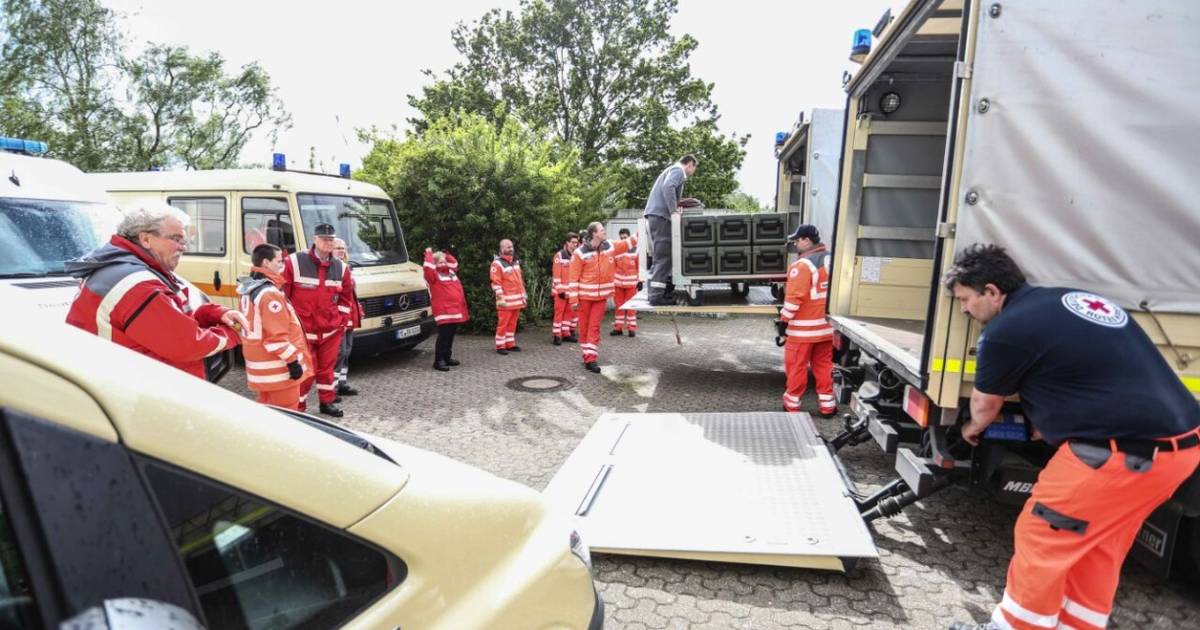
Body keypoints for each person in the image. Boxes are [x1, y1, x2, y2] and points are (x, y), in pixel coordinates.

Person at [944, 244, 1200, 630]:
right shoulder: (1071, 300)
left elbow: (984, 408)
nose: (964, 309)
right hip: (1180, 450)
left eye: (965, 299)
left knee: (1042, 534)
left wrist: (967, 431)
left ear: (992, 291)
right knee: (1097, 547)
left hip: (1116, 454)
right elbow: (1088, 372)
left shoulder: (1003, 332)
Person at [65, 204, 244, 378]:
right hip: (141, 392)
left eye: (184, 240)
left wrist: (215, 315)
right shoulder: (139, 286)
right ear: (146, 239)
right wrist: (234, 333)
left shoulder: (122, 269)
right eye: (176, 239)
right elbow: (187, 344)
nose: (184, 247)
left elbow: (170, 316)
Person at [282, 223, 355, 417]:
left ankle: (326, 402)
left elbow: (346, 298)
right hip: (303, 331)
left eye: (331, 239)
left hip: (330, 331)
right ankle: (298, 407)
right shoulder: (294, 262)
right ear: (314, 239)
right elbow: (283, 296)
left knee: (327, 370)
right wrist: (289, 325)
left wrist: (340, 321)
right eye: (324, 238)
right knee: (306, 371)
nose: (328, 242)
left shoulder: (341, 268)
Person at [237, 244, 312, 409]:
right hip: (278, 371)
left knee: (267, 413)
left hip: (261, 369)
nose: (282, 265)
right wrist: (293, 362)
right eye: (279, 261)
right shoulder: (269, 294)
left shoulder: (249, 288)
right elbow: (276, 338)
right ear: (266, 263)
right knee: (287, 414)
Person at [777, 224, 836, 416]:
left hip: (802, 330)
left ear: (808, 240)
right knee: (824, 366)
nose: (795, 244)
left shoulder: (802, 265)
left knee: (796, 366)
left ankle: (792, 404)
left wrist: (783, 321)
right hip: (826, 329)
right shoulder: (831, 259)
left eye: (797, 240)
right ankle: (828, 405)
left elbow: (794, 298)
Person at [569, 222, 637, 373]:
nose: (604, 231)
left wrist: (647, 225)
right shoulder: (580, 253)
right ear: (594, 233)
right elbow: (573, 278)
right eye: (602, 229)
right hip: (584, 298)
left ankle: (590, 359)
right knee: (585, 327)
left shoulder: (610, 246)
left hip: (600, 298)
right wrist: (573, 300)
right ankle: (587, 353)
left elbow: (629, 242)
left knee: (594, 327)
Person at [644, 155, 698, 306]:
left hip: (656, 216)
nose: (693, 171)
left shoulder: (671, 170)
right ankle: (656, 297)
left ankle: (654, 294)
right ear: (689, 164)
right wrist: (673, 211)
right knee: (664, 257)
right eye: (694, 168)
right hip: (661, 217)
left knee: (660, 257)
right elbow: (668, 187)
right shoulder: (678, 171)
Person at [423, 246, 469, 371]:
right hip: (444, 311)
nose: (443, 263)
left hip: (454, 310)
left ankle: (447, 357)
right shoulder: (433, 276)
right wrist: (428, 254)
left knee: (450, 336)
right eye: (440, 262)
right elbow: (428, 268)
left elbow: (454, 263)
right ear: (435, 264)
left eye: (444, 261)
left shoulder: (451, 272)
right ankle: (438, 361)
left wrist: (446, 254)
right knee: (444, 336)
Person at [330, 237, 362, 399]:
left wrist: (358, 310)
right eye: (337, 248)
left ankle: (342, 384)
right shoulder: (330, 269)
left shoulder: (346, 268)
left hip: (349, 316)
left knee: (347, 352)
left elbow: (351, 296)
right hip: (338, 319)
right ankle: (332, 388)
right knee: (339, 352)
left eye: (343, 248)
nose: (341, 251)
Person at [490, 238, 527, 355]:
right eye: (507, 247)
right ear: (501, 249)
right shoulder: (497, 264)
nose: (511, 249)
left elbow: (520, 281)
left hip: (516, 300)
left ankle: (510, 343)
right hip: (505, 301)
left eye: (511, 246)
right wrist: (500, 298)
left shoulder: (515, 262)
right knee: (503, 324)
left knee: (512, 323)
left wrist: (523, 295)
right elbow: (496, 283)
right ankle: (500, 345)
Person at [551, 232, 581, 345]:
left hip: (571, 292)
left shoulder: (577, 256)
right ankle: (557, 335)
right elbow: (556, 275)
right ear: (567, 243)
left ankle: (566, 333)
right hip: (561, 292)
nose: (574, 245)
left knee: (569, 313)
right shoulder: (559, 256)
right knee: (559, 313)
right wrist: (560, 291)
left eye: (576, 243)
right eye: (572, 242)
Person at [611, 227, 641, 337]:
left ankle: (631, 328)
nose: (623, 239)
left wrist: (641, 280)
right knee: (619, 306)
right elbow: (612, 266)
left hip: (631, 284)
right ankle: (618, 328)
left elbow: (640, 267)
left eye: (625, 237)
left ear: (629, 237)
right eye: (621, 237)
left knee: (631, 307)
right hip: (618, 283)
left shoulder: (636, 250)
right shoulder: (616, 251)